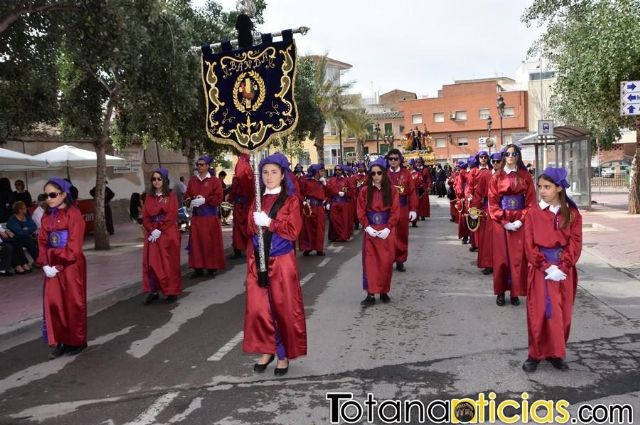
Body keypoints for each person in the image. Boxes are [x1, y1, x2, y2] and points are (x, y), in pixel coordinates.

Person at [243, 152, 306, 377]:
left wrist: (270, 222)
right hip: (258, 261)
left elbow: (292, 231)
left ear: (282, 175)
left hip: (281, 262)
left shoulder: (290, 201)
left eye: (274, 172)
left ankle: (283, 354)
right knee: (260, 310)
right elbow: (249, 229)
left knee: (282, 309)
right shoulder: (257, 200)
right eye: (265, 172)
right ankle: (266, 349)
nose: (269, 176)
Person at [522, 167, 582, 372]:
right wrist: (546, 266)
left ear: (559, 188)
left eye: (547, 187)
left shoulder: (572, 214)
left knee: (561, 314)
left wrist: (564, 265)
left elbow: (575, 242)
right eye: (540, 187)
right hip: (541, 269)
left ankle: (556, 352)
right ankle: (535, 354)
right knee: (538, 313)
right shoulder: (532, 213)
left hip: (564, 270)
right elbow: (529, 245)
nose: (542, 191)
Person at [36, 178, 87, 359]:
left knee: (73, 302)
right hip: (51, 266)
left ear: (64, 195)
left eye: (53, 194)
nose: (49, 198)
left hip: (70, 265)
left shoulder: (73, 214)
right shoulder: (45, 216)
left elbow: (74, 246)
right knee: (54, 304)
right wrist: (45, 264)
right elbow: (42, 240)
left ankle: (77, 340)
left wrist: (58, 265)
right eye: (46, 195)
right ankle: (60, 340)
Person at [488, 144, 536, 307]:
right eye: (507, 154)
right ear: (503, 156)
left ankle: (515, 292)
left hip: (519, 220)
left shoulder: (525, 176)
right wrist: (504, 221)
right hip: (501, 222)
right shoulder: (496, 177)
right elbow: (493, 203)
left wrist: (521, 220)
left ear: (518, 156)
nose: (510, 156)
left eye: (514, 153)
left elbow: (531, 201)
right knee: (501, 258)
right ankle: (500, 292)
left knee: (517, 258)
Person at [358, 157, 400, 306]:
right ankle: (370, 293)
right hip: (370, 231)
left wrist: (389, 228)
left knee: (386, 262)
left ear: (384, 174)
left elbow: (395, 211)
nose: (376, 176)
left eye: (379, 173)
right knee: (370, 262)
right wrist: (367, 226)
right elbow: (360, 210)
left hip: (385, 231)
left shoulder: (392, 191)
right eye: (373, 173)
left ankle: (383, 291)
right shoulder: (364, 191)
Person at [142, 168, 182, 305]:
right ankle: (153, 291)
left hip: (167, 233)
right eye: (154, 179)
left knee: (168, 263)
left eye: (159, 179)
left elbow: (171, 215)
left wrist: (160, 229)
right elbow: (145, 217)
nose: (156, 181)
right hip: (152, 234)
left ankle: (171, 291)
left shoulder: (171, 195)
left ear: (164, 180)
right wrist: (151, 229)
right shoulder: (148, 196)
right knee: (151, 264)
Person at [185, 155, 226, 277]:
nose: (199, 167)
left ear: (208, 166)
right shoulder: (192, 181)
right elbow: (186, 195)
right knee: (196, 243)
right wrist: (190, 201)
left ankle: (211, 267)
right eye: (198, 164)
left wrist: (205, 200)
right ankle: (198, 268)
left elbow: (219, 197)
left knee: (210, 243)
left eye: (202, 164)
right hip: (197, 218)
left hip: (210, 218)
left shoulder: (215, 181)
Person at [386, 149, 418, 272]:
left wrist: (413, 209)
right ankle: (388, 259)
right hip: (387, 209)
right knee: (388, 235)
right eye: (391, 159)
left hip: (403, 208)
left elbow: (412, 192)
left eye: (395, 158)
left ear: (400, 160)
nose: (393, 161)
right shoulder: (383, 174)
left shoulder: (406, 174)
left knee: (402, 235)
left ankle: (400, 260)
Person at [469, 151, 493, 275]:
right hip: (484, 206)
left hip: (503, 210)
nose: (483, 159)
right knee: (485, 236)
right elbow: (471, 187)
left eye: (485, 157)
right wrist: (471, 202)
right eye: (481, 157)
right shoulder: (475, 172)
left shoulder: (494, 172)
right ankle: (488, 263)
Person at [228, 153, 254, 258]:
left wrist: (230, 199)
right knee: (247, 226)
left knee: (239, 228)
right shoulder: (249, 171)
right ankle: (248, 247)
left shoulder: (240, 173)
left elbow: (235, 188)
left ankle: (238, 249)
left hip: (240, 205)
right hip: (247, 203)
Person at [299, 164, 327, 256]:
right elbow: (301, 193)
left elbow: (328, 193)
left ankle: (319, 248)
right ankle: (308, 247)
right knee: (308, 228)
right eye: (321, 170)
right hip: (310, 207)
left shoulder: (322, 182)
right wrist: (303, 202)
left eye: (323, 170)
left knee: (320, 228)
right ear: (316, 172)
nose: (323, 172)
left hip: (320, 207)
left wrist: (325, 185)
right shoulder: (306, 182)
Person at [326, 164, 353, 242]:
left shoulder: (346, 180)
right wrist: (328, 202)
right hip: (334, 203)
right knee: (333, 219)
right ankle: (335, 235)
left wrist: (345, 193)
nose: (337, 171)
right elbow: (328, 192)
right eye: (336, 170)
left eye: (339, 170)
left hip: (344, 203)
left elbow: (352, 191)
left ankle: (342, 236)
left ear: (342, 171)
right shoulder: (331, 180)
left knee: (343, 221)